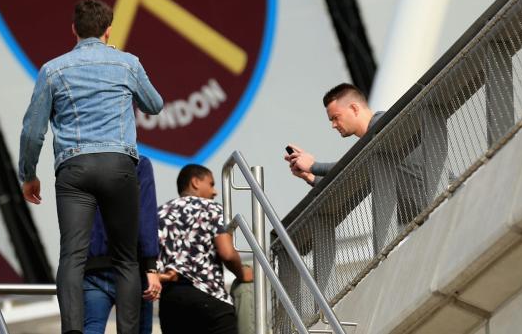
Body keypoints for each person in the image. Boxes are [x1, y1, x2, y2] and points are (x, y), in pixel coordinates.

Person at [18, 0, 164, 334]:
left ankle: (72, 330)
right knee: (126, 258)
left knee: (72, 255)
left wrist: (28, 175)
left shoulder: (53, 69)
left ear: (74, 30)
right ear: (109, 30)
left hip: (74, 168)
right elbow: (155, 105)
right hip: (118, 165)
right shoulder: (127, 64)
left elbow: (32, 130)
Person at [285, 83, 423, 225]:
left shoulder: (383, 123)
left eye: (335, 117)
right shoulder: (371, 147)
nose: (333, 125)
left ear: (354, 108)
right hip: (419, 220)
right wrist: (310, 176)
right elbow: (351, 177)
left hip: (437, 205)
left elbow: (354, 165)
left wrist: (313, 166)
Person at [157, 164, 253, 334]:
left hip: (171, 300)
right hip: (208, 297)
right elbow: (227, 253)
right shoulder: (212, 208)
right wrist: (242, 273)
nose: (214, 191)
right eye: (211, 184)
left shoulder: (160, 213)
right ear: (195, 182)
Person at [83, 156, 161, 334]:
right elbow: (146, 215)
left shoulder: (84, 162)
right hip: (131, 268)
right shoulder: (139, 163)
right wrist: (151, 268)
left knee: (92, 328)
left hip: (93, 266)